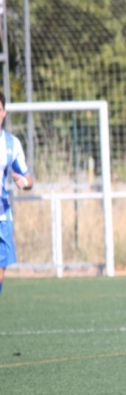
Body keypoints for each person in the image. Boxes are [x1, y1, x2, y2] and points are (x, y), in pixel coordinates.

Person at [0, 91, 34, 296]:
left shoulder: (11, 144)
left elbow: (29, 178)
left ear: (4, 113)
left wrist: (24, 182)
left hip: (2, 217)